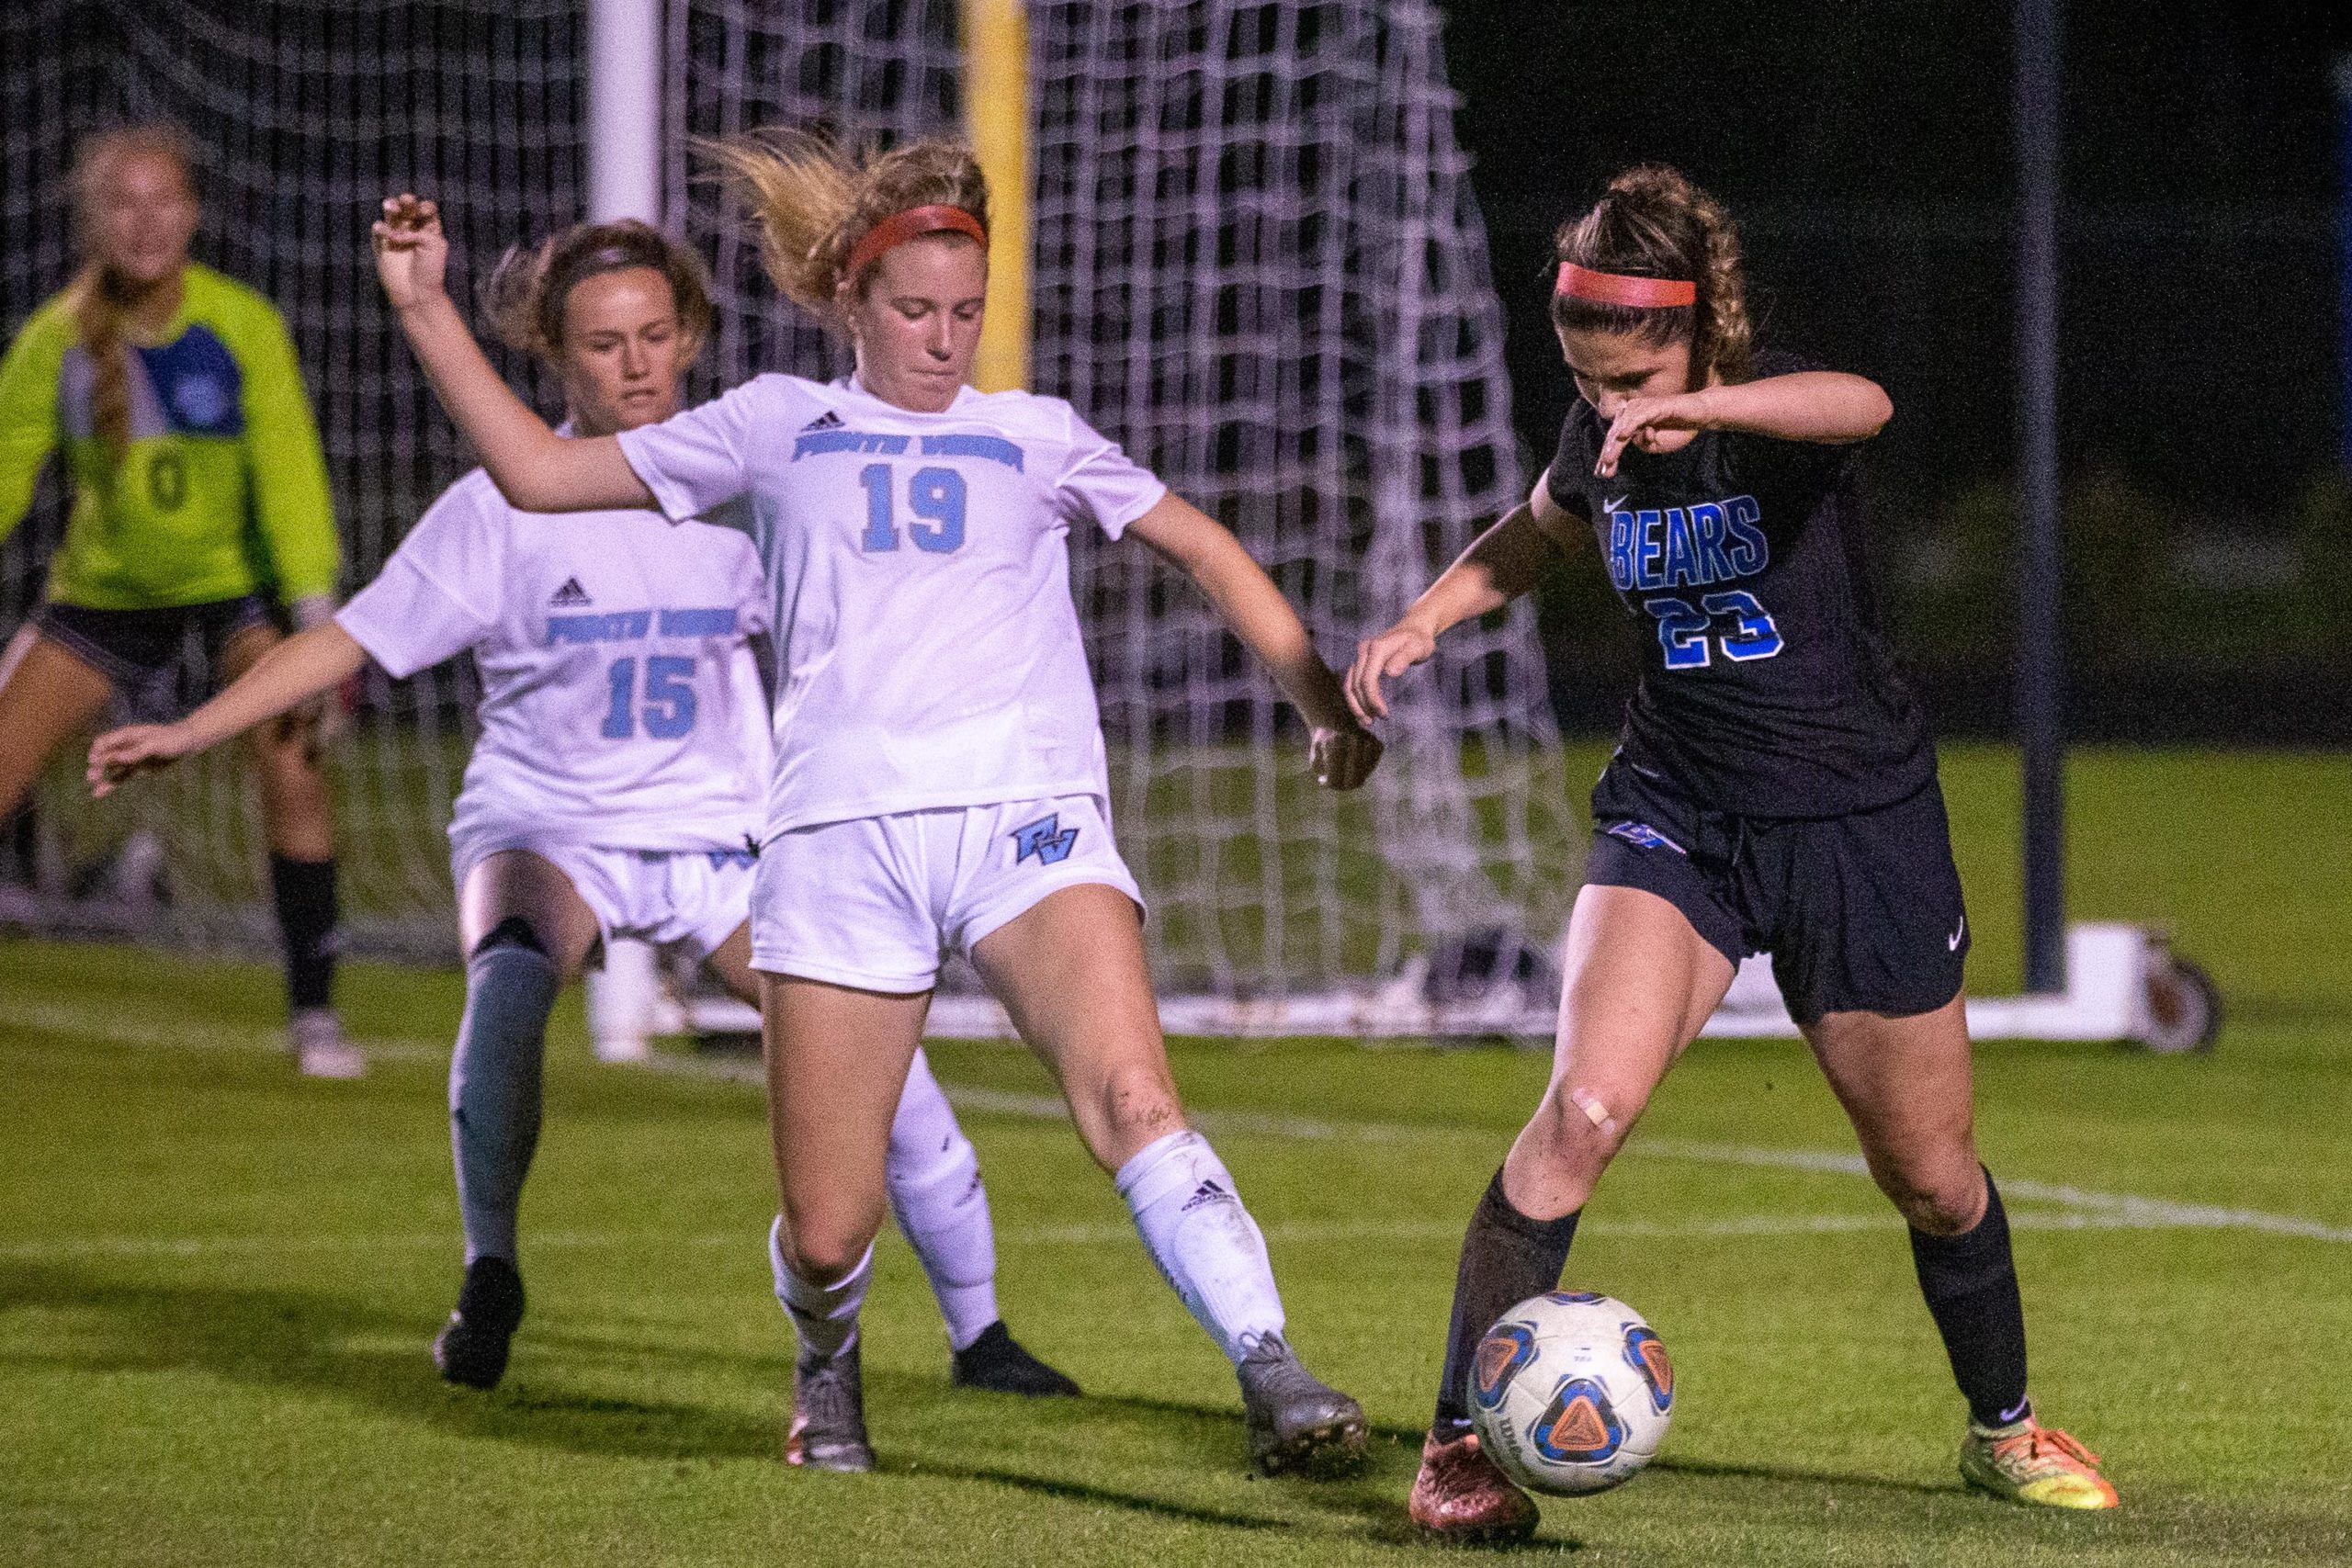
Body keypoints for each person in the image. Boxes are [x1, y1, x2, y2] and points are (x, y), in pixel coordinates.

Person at [356, 130, 1385, 1475]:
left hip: (1027, 820)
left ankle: (1273, 1365)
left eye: (966, 310)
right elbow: (540, 477)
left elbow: (1201, 542)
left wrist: (1319, 700)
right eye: (913, 311)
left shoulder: (1035, 437)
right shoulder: (776, 424)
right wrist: (427, 305)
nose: (944, 339)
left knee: (1135, 1093)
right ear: (850, 297)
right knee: (833, 1227)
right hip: (840, 843)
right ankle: (827, 1358)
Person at [90, 217, 1078, 1404]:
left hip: (723, 836)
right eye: (604, 342)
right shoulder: (501, 508)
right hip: (547, 822)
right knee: (509, 976)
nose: (637, 362)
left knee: (884, 1067)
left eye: (657, 334)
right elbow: (354, 635)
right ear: (552, 352)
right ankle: (490, 1268)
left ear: (692, 335)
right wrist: (192, 728)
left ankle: (983, 1333)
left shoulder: (755, 489)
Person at [1348, 165, 2119, 1542]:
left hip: (1854, 821)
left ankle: (2004, 1426)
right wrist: (1425, 618)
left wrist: (1694, 406)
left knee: (1934, 1176)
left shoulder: (1771, 415)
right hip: (1679, 814)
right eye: (1583, 373)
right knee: (1581, 1110)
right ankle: (1457, 1442)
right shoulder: (1601, 431)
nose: (1607, 399)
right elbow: (1538, 530)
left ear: (1698, 334)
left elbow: (1864, 404)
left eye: (1633, 368)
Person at [0, 123, 356, 1077]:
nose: (147, 223)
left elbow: (289, 476)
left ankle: (315, 1016)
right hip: (101, 600)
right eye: (125, 203)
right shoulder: (53, 344)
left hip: (230, 597)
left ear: (192, 213)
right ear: (95, 221)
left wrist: (316, 617)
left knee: (295, 768)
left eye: (164, 202)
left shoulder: (240, 326)